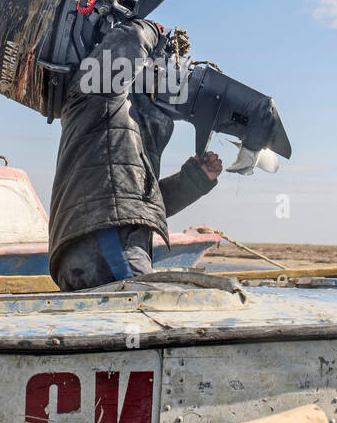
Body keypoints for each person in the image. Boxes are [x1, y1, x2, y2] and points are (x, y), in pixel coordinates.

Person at [48, 18, 221, 290]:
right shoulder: (98, 93)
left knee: (115, 328)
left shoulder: (131, 128)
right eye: (156, 63)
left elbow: (136, 204)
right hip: (107, 243)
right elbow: (131, 38)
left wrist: (194, 181)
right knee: (145, 315)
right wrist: (153, 29)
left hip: (96, 249)